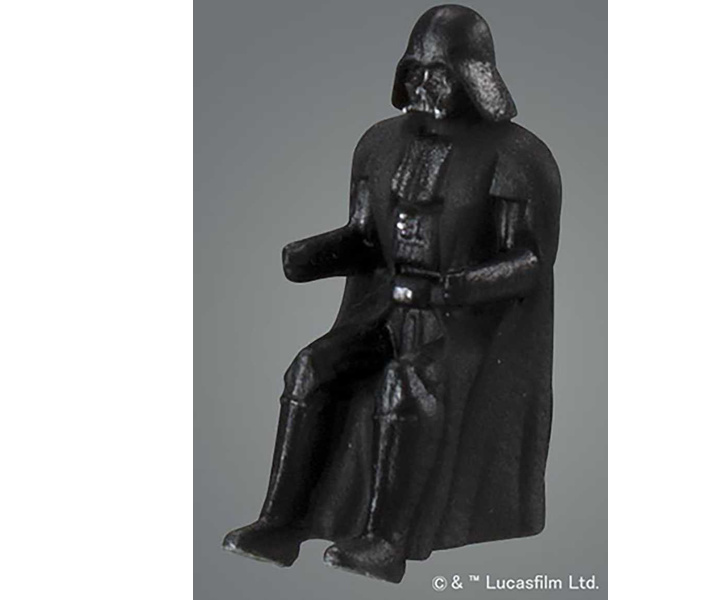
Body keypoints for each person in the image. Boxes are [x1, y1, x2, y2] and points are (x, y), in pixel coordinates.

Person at [223, 4, 561, 583]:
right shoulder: (379, 145)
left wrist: (448, 288)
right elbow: (365, 237)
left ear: (474, 78)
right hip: (387, 312)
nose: (424, 86)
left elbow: (528, 262)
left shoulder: (516, 158)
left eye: (440, 75)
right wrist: (311, 256)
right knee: (310, 370)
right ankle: (281, 522)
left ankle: (388, 541)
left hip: (468, 328)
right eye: (415, 72)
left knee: (407, 386)